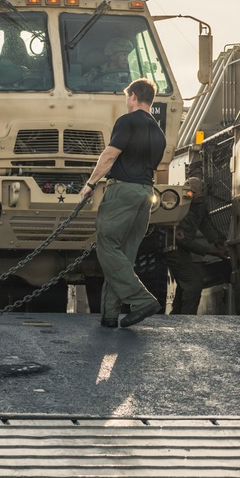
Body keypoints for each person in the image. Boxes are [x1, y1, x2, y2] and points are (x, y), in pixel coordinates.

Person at [81, 78, 166, 328]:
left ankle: (142, 300)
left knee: (107, 245)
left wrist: (90, 183)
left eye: (127, 97)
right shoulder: (158, 132)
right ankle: (109, 314)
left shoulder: (127, 121)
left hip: (123, 191)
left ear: (133, 97)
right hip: (145, 193)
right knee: (123, 256)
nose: (126, 101)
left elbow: (110, 155)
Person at [166, 177, 229, 314]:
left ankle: (177, 315)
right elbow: (184, 240)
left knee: (185, 284)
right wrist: (213, 252)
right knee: (193, 283)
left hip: (181, 250)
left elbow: (204, 222)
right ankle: (186, 317)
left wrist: (217, 242)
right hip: (173, 249)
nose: (199, 203)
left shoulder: (199, 204)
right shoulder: (180, 208)